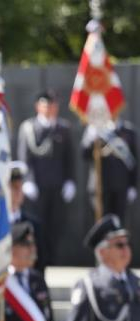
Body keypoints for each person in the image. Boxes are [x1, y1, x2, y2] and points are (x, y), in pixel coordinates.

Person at [17, 91, 75, 265]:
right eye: (46, 105)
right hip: (36, 187)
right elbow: (24, 156)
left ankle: (52, 259)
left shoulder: (63, 128)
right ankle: (38, 259)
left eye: (53, 105)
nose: (49, 109)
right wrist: (27, 181)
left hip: (57, 185)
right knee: (37, 224)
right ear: (38, 107)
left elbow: (69, 158)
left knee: (56, 225)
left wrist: (70, 180)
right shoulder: (29, 128)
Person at [80, 118, 137, 222]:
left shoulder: (128, 131)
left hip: (120, 185)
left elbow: (132, 161)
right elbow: (85, 154)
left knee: (118, 224)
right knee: (101, 224)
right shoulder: (96, 130)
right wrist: (91, 138)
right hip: (100, 186)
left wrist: (132, 185)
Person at [8, 161, 47, 274]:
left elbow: (40, 264)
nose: (18, 192)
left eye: (20, 187)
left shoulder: (34, 225)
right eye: (14, 187)